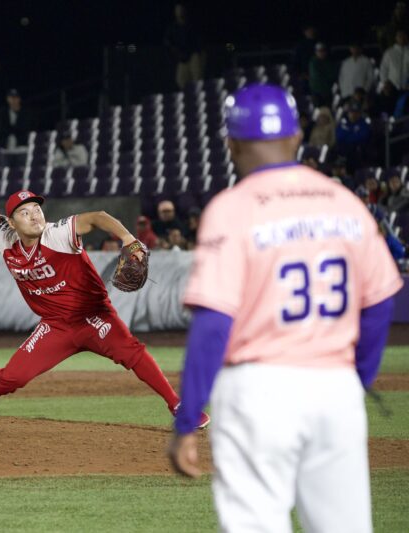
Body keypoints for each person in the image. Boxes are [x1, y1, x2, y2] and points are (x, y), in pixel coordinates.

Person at [168, 84, 402, 532]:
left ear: (232, 144)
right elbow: (379, 301)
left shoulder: (231, 208)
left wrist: (186, 420)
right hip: (335, 390)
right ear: (296, 137)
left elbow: (213, 323)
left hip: (258, 389)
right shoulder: (344, 203)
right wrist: (356, 379)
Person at [0, 190, 210, 428]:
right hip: (56, 326)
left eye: (37, 209)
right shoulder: (6, 238)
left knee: (132, 352)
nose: (34, 215)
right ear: (12, 223)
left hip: (94, 317)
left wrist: (128, 239)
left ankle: (179, 406)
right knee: (11, 378)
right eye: (25, 212)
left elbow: (98, 217)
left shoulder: (57, 235)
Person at [163, 3, 205, 90]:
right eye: (177, 11)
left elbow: (198, 42)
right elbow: (167, 41)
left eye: (181, 10)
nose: (179, 13)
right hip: (183, 57)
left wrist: (199, 54)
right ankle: (188, 93)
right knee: (180, 79)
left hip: (194, 55)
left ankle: (196, 92)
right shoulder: (173, 28)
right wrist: (176, 51)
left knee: (197, 78)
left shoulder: (191, 25)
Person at [335, 101, 371, 169]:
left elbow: (361, 138)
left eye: (356, 112)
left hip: (357, 154)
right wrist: (352, 133)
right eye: (351, 112)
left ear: (359, 113)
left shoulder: (363, 124)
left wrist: (347, 134)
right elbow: (339, 136)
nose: (353, 114)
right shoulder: (344, 122)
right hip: (342, 152)